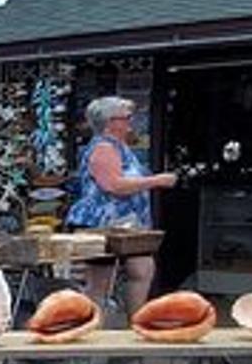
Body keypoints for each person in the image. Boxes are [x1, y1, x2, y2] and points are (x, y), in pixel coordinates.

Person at [68, 95, 176, 317]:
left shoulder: (119, 146)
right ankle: (90, 329)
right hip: (102, 224)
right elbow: (113, 185)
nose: (130, 121)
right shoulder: (104, 148)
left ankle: (136, 323)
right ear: (110, 122)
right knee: (100, 282)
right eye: (125, 117)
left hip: (128, 225)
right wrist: (157, 181)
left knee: (142, 270)